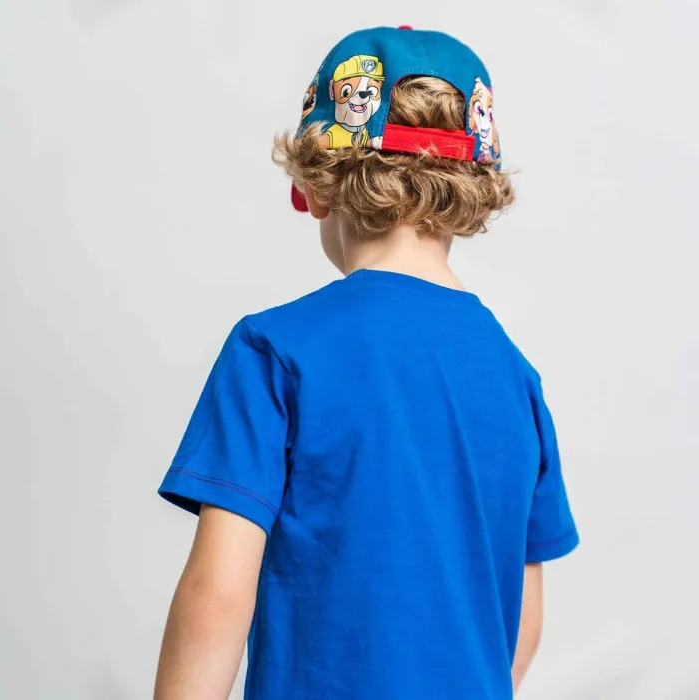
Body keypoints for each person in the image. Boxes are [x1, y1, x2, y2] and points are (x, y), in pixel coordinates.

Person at [154, 25, 579, 700]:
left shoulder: (274, 348)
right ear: (471, 188)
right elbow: (522, 617)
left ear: (317, 187)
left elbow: (219, 592)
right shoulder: (515, 375)